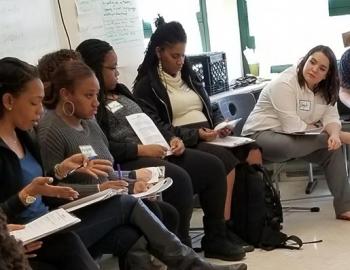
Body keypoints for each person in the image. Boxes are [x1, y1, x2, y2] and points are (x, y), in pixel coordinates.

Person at [0, 56, 246, 270]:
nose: (40, 111)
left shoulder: (25, 136)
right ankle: (193, 266)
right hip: (32, 231)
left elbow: (47, 182)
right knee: (124, 206)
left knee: (132, 232)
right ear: (9, 101)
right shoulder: (44, 131)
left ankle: (191, 264)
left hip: (50, 222)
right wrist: (10, 232)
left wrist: (62, 169)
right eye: (34, 103)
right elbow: (34, 197)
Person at [75, 38, 251, 255]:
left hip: (158, 147)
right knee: (179, 178)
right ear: (93, 69)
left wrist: (171, 139)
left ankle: (216, 238)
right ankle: (181, 248)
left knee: (213, 165)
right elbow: (105, 147)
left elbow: (151, 120)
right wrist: (140, 150)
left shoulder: (121, 91)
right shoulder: (93, 105)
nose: (117, 74)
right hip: (130, 157)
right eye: (112, 68)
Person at [133, 19, 261, 234]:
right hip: (184, 141)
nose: (181, 61)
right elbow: (157, 127)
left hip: (209, 134)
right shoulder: (146, 87)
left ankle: (250, 222)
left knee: (252, 151)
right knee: (225, 160)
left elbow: (209, 106)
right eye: (175, 56)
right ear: (158, 52)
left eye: (183, 55)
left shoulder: (189, 76)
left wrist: (221, 124)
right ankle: (221, 230)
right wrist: (196, 135)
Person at [241, 45, 350, 220]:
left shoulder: (326, 90)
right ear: (305, 59)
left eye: (322, 68)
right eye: (312, 62)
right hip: (260, 136)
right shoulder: (284, 83)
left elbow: (331, 119)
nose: (314, 69)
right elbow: (292, 127)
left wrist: (335, 135)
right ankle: (345, 138)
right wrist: (340, 136)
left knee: (333, 147)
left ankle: (344, 207)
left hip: (297, 138)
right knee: (294, 144)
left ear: (327, 74)